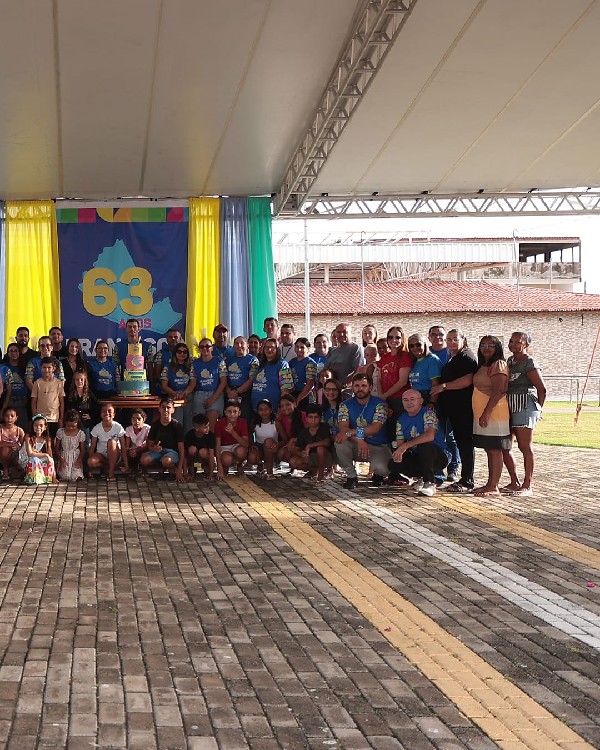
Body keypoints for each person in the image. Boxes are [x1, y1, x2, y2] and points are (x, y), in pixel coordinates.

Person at [430, 329, 478, 492]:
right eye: (449, 339)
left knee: (465, 444)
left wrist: (443, 386)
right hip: (452, 407)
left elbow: (467, 380)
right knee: (458, 441)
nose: (451, 342)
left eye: (455, 339)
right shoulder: (453, 356)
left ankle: (467, 480)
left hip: (463, 408)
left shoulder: (467, 357)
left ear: (464, 340)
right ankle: (462, 478)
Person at [501, 332, 547, 497]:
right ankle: (514, 482)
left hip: (525, 404)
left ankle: (527, 484)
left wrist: (538, 409)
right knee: (505, 445)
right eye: (511, 341)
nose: (512, 344)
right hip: (509, 405)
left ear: (526, 344)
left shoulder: (529, 362)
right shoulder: (510, 361)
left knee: (525, 446)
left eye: (517, 342)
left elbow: (542, 389)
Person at [387, 389, 450, 496]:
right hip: (418, 454)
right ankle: (421, 477)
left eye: (412, 399)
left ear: (421, 401)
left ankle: (430, 483)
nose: (409, 403)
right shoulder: (401, 420)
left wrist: (406, 445)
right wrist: (399, 452)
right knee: (393, 463)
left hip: (439, 455)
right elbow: (400, 443)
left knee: (424, 446)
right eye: (405, 400)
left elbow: (430, 435)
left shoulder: (428, 413)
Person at [335, 373, 390, 489]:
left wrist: (351, 433)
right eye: (357, 386)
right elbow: (343, 429)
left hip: (377, 446)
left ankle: (378, 475)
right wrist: (360, 440)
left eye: (364, 385)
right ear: (352, 387)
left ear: (370, 387)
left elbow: (375, 429)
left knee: (384, 469)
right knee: (340, 441)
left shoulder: (380, 404)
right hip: (356, 444)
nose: (360, 389)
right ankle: (351, 476)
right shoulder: (344, 405)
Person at [472, 336, 511, 496]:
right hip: (482, 412)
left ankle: (494, 486)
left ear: (498, 347)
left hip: (495, 413)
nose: (486, 348)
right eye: (483, 345)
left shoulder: (498, 364)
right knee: (489, 449)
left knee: (495, 450)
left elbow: (499, 391)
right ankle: (489, 483)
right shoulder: (483, 365)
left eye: (491, 345)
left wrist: (486, 413)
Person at [378, 326, 412, 439]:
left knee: (399, 431)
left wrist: (384, 396)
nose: (394, 340)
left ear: (402, 339)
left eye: (397, 337)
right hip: (385, 399)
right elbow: (379, 378)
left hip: (399, 400)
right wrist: (381, 397)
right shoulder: (385, 357)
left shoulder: (405, 356)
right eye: (390, 337)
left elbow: (402, 381)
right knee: (388, 430)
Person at [140, 397, 185, 481]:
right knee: (144, 459)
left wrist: (180, 469)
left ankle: (173, 468)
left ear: (173, 410)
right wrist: (154, 448)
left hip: (172, 452)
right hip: (158, 452)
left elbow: (181, 449)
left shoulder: (177, 426)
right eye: (163, 407)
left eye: (168, 407)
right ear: (159, 409)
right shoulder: (155, 424)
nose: (166, 410)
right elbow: (149, 445)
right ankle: (160, 469)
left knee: (166, 461)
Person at [289, 404, 333, 483]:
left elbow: (327, 442)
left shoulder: (324, 427)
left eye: (316, 417)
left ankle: (321, 475)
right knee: (293, 461)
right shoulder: (304, 432)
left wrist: (309, 446)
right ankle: (314, 470)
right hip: (311, 458)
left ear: (320, 418)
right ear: (306, 418)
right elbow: (296, 448)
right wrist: (301, 453)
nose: (313, 420)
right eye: (310, 417)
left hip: (326, 457)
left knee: (320, 448)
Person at [192, 338, 228, 431]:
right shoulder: (194, 364)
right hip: (199, 395)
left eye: (207, 346)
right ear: (199, 349)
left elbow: (223, 382)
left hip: (215, 394)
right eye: (202, 347)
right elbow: (192, 383)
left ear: (212, 348)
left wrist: (213, 399)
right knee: (199, 428)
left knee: (210, 427)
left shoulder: (220, 362)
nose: (205, 348)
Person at [250, 339, 293, 415]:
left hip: (273, 409)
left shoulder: (282, 364)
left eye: (272, 347)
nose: (269, 350)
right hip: (256, 408)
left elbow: (286, 389)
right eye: (266, 347)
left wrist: (281, 408)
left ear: (277, 349)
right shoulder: (259, 364)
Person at [160, 342, 196, 433]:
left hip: (187, 397)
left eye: (185, 352)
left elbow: (193, 383)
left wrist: (184, 393)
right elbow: (164, 385)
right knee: (177, 423)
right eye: (179, 352)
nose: (182, 354)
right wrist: (175, 394)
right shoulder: (167, 367)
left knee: (189, 424)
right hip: (174, 398)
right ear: (175, 353)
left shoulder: (191, 367)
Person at [88, 403, 129, 480]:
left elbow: (123, 447)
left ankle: (111, 473)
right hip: (102, 456)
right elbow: (92, 447)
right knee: (91, 461)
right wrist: (90, 469)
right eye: (104, 411)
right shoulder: (96, 428)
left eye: (109, 411)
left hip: (116, 455)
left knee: (111, 442)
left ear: (114, 415)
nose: (107, 413)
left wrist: (126, 466)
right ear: (100, 414)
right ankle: (109, 467)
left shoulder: (118, 427)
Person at [226, 336, 258, 425]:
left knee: (245, 422)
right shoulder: (228, 360)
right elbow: (224, 378)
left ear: (247, 345)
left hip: (245, 394)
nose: (239, 346)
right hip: (229, 393)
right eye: (236, 343)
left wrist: (237, 392)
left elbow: (251, 379)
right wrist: (229, 391)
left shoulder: (253, 360)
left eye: (242, 343)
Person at [18, 414, 58, 485]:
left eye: (41, 425)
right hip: (26, 459)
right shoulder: (28, 437)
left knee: (49, 459)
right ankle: (31, 478)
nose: (38, 427)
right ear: (32, 427)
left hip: (38, 456)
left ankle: (47, 477)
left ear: (45, 427)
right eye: (35, 425)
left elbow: (50, 456)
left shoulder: (47, 439)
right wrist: (45, 455)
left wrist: (54, 476)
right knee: (35, 459)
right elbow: (30, 453)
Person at [215, 400, 249, 479]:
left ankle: (239, 464)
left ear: (239, 413)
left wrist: (233, 432)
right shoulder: (219, 423)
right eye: (229, 412)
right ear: (225, 413)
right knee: (227, 459)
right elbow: (217, 445)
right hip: (224, 447)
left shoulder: (242, 422)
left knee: (241, 452)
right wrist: (219, 466)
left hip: (237, 445)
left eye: (235, 412)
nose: (232, 414)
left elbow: (246, 444)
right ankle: (225, 466)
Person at [31, 357, 65, 438]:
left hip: (54, 418)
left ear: (53, 368)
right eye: (44, 367)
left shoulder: (58, 383)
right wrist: (35, 417)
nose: (46, 370)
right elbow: (33, 401)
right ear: (41, 368)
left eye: (49, 367)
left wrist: (61, 418)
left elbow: (61, 401)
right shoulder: (37, 383)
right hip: (41, 418)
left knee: (53, 440)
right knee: (43, 440)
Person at [247, 399, 279, 480]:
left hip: (272, 447)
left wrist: (278, 444)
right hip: (259, 446)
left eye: (266, 409)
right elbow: (249, 434)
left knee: (268, 442)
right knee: (252, 457)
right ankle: (260, 465)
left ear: (271, 410)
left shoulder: (276, 423)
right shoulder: (255, 422)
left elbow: (285, 438)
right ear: (257, 411)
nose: (263, 412)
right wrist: (252, 444)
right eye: (261, 410)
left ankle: (269, 472)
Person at [65, 370, 100, 442]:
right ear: (74, 381)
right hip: (73, 422)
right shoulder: (70, 394)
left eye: (81, 380)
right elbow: (67, 407)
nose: (79, 381)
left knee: (86, 441)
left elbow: (97, 406)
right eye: (77, 380)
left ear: (85, 381)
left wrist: (91, 415)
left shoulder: (89, 393)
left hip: (85, 422)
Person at [407, 333, 442, 403]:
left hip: (428, 396)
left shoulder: (432, 360)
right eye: (411, 346)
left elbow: (436, 384)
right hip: (415, 397)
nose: (415, 348)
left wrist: (432, 402)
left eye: (418, 344)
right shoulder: (413, 361)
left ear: (425, 345)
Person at [55, 409, 86, 481]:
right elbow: (56, 448)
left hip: (76, 457)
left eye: (73, 426)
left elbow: (83, 450)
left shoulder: (80, 433)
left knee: (77, 476)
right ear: (65, 423)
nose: (71, 428)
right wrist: (61, 460)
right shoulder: (61, 432)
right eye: (68, 426)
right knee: (65, 476)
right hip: (64, 456)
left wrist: (79, 460)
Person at [275, 394, 305, 465]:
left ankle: (310, 466)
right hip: (291, 445)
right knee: (281, 453)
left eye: (287, 405)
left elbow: (309, 434)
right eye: (282, 406)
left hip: (304, 443)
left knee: (293, 448)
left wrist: (294, 439)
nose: (285, 408)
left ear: (294, 404)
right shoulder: (281, 418)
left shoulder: (303, 415)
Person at [184, 413, 216, 480]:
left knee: (203, 452)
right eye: (205, 427)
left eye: (208, 426)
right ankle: (191, 468)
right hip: (193, 457)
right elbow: (184, 454)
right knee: (192, 449)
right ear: (197, 428)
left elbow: (211, 455)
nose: (208, 429)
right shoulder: (189, 435)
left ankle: (206, 466)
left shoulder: (210, 436)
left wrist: (211, 473)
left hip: (205, 457)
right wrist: (185, 472)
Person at [289, 338, 317, 409]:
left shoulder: (310, 363)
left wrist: (298, 399)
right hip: (293, 394)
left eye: (302, 347)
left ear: (307, 349)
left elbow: (310, 384)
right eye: (297, 347)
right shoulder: (292, 362)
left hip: (305, 396)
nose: (299, 349)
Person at [4, 343, 28, 429]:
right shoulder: (4, 368)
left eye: (16, 351)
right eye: (11, 351)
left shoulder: (25, 367)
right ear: (8, 353)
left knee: (23, 428)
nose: (14, 353)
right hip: (8, 400)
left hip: (22, 401)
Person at [153, 328, 183, 394]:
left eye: (175, 337)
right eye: (170, 337)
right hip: (166, 391)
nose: (173, 339)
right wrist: (167, 387)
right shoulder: (160, 354)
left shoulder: (186, 354)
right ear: (167, 339)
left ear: (180, 339)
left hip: (184, 390)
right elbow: (157, 374)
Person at [0, 408, 25, 480]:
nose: (9, 418)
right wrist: (13, 444)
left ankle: (15, 469)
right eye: (7, 416)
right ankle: (5, 468)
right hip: (2, 455)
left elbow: (24, 445)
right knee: (5, 449)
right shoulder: (1, 429)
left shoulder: (19, 430)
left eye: (12, 416)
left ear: (16, 418)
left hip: (15, 455)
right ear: (3, 417)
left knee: (20, 463)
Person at [124, 409, 151, 475]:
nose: (136, 421)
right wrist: (130, 450)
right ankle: (133, 469)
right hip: (133, 449)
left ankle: (144, 469)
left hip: (143, 448)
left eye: (139, 419)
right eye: (133, 419)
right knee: (131, 453)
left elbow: (148, 444)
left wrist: (137, 449)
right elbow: (127, 445)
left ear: (143, 420)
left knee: (143, 453)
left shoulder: (147, 428)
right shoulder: (128, 429)